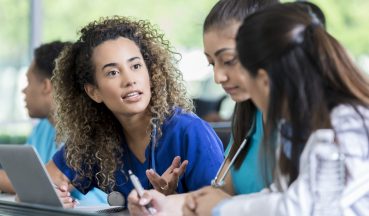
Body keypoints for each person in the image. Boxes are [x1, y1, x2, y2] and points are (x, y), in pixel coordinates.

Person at [46, 16, 224, 208]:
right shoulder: (95, 139)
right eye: (113, 72)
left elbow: (221, 207)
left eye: (136, 66)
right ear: (94, 91)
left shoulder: (190, 131)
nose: (129, 80)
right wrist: (51, 197)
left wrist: (170, 202)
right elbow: (44, 184)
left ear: (151, 73)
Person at [209, 2, 369, 215]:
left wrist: (223, 208)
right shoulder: (293, 128)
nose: (220, 77)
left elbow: (304, 207)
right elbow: (284, 193)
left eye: (234, 65)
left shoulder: (348, 123)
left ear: (265, 81)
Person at [127, 0, 278, 215]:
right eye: (212, 63)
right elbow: (220, 193)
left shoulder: (310, 121)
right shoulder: (248, 117)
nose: (218, 77)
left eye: (228, 60)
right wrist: (163, 202)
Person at [0, 41, 108, 205]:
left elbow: (42, 186)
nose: (23, 91)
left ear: (45, 86)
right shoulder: (42, 129)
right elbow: (23, 179)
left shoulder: (89, 131)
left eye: (28, 82)